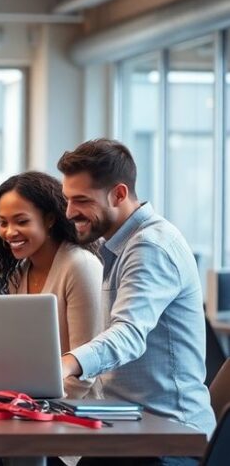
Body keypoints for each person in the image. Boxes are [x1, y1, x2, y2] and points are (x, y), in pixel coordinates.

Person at [58, 139, 214, 465]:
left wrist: (65, 364)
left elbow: (128, 335)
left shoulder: (150, 247)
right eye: (68, 200)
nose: (70, 212)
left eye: (81, 200)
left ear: (118, 194)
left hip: (168, 439)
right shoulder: (119, 246)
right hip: (129, 429)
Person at [0, 171, 103, 399]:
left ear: (49, 219)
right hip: (36, 402)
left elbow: (85, 369)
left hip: (78, 409)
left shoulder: (80, 265)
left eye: (22, 221)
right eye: (3, 223)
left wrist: (35, 406)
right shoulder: (18, 275)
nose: (9, 232)